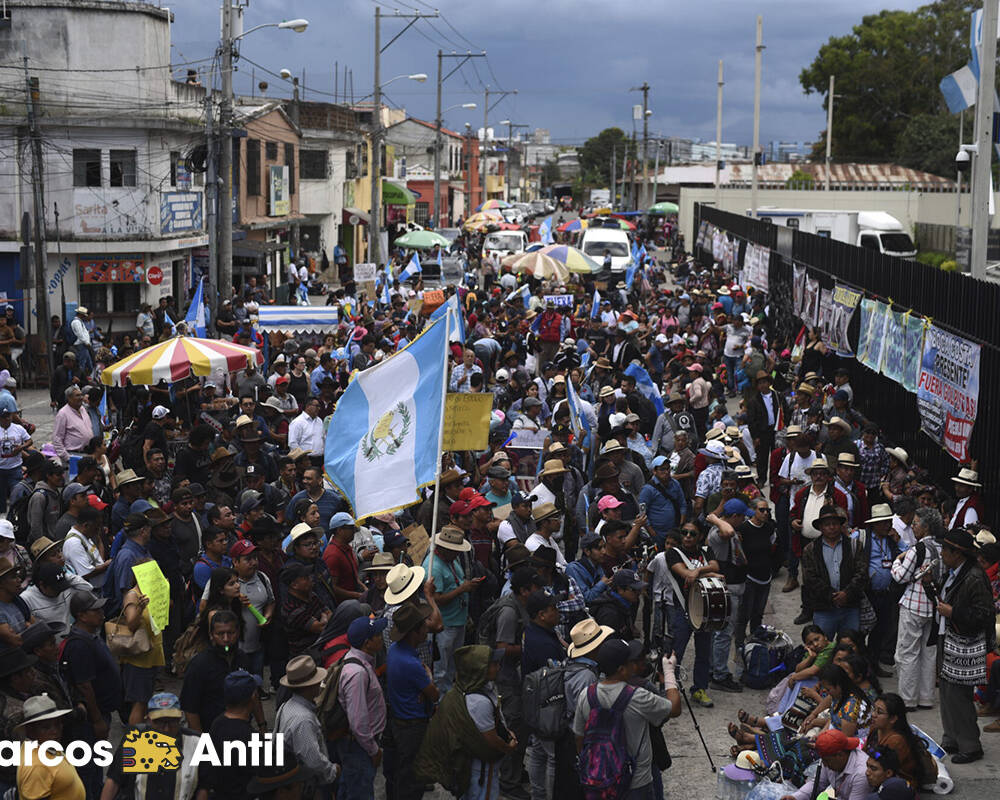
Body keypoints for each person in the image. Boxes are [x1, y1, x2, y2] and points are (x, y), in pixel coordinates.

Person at [571, 639, 680, 800]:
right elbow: (675, 708)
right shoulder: (638, 697)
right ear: (622, 669)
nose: (635, 665)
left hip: (598, 780)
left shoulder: (586, 695)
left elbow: (579, 738)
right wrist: (669, 671)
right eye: (631, 662)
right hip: (636, 783)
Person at [415, 645, 515, 800]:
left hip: (472, 766)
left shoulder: (465, 690)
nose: (498, 667)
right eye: (493, 664)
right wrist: (508, 747)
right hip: (482, 770)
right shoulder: (479, 702)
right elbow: (491, 739)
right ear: (480, 670)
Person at [935, 528, 994, 763]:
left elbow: (984, 614)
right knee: (947, 692)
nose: (941, 554)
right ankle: (952, 738)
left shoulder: (975, 577)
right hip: (951, 639)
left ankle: (970, 745)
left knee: (959, 695)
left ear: (956, 553)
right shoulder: (954, 572)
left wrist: (953, 612)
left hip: (966, 643)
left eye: (944, 550)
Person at [385, 603, 439, 800]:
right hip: (412, 726)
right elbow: (434, 694)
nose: (427, 628)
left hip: (399, 720)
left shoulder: (394, 650)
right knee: (412, 779)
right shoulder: (411, 664)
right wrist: (429, 678)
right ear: (414, 632)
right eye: (423, 626)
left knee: (402, 773)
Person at [665, 522, 720, 707]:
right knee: (676, 650)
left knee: (704, 651)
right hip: (682, 607)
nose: (687, 536)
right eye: (684, 533)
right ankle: (670, 688)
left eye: (692, 533)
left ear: (699, 536)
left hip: (704, 608)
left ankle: (699, 689)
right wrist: (706, 573)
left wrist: (698, 570)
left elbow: (715, 566)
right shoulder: (673, 553)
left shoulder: (706, 550)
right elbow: (685, 573)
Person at [336, 616, 388, 800]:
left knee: (350, 787)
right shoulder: (357, 674)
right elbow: (358, 722)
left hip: (360, 745)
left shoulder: (361, 661)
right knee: (360, 790)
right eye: (378, 635)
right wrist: (374, 750)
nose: (382, 638)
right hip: (359, 747)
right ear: (367, 643)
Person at [801, 505, 868, 638]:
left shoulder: (854, 545)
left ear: (840, 525)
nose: (831, 527)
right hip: (824, 609)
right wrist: (832, 595)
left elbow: (862, 573)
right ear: (820, 527)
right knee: (823, 648)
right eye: (827, 524)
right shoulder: (811, 550)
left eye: (834, 523)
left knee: (850, 648)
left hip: (850, 607)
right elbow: (810, 579)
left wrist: (846, 593)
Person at [275, 655, 341, 787]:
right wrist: (332, 770)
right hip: (303, 784)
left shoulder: (287, 705)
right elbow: (313, 760)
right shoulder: (303, 719)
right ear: (311, 686)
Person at [422, 527, 475, 693]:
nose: (457, 554)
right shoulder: (434, 567)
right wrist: (462, 590)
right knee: (442, 669)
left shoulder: (451, 560)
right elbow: (435, 599)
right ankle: (441, 701)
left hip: (457, 620)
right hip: (445, 625)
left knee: (453, 665)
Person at [15, 695, 85, 800]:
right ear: (30, 731)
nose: (55, 731)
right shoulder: (36, 766)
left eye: (58, 724)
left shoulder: (45, 745)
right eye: (46, 727)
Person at [783, 729, 870, 800]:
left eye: (826, 761)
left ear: (840, 755)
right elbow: (818, 784)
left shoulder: (861, 774)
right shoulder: (830, 760)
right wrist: (795, 797)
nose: (824, 764)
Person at [638, 455, 687, 546]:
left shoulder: (675, 484)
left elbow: (682, 504)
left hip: (674, 530)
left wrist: (681, 525)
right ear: (654, 471)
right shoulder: (648, 489)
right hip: (657, 533)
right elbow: (642, 512)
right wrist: (652, 532)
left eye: (668, 469)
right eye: (662, 469)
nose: (666, 472)